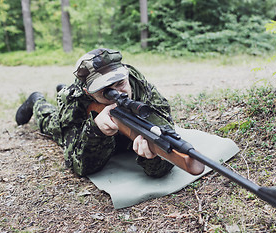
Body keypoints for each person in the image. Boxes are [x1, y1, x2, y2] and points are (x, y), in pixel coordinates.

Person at [15, 48, 175, 177]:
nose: (119, 95)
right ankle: (36, 100)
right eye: (106, 91)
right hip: (78, 110)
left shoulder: (145, 91)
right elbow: (79, 166)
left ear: (126, 72)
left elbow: (168, 146)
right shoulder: (77, 101)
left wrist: (152, 158)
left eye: (120, 83)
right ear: (89, 92)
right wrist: (96, 130)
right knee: (50, 124)